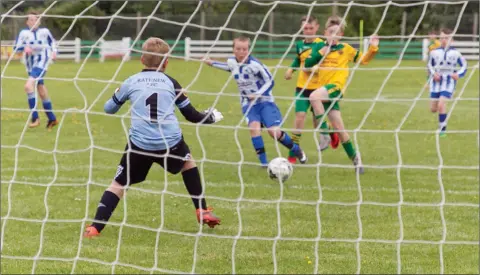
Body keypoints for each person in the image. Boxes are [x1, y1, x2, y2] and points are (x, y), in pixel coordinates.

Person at [84, 37, 224, 238]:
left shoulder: (131, 81)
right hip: (170, 142)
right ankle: (201, 209)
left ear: (142, 59)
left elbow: (109, 109)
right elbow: (192, 116)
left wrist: (117, 93)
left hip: (139, 144)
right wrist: (209, 117)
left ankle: (95, 228)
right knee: (188, 163)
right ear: (166, 62)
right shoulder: (171, 83)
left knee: (118, 184)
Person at [204, 36, 307, 167]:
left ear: (249, 49)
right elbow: (229, 67)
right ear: (233, 50)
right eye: (238, 49)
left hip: (265, 102)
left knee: (274, 132)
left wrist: (258, 94)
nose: (242, 52)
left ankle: (297, 150)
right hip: (248, 104)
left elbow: (270, 80)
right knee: (254, 128)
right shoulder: (231, 62)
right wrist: (212, 63)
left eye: (245, 49)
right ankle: (264, 164)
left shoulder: (255, 64)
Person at [304, 15, 380, 174]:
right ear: (325, 33)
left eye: (336, 33)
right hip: (323, 91)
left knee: (313, 97)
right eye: (330, 32)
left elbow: (363, 60)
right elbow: (308, 64)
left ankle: (324, 134)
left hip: (335, 88)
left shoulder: (345, 49)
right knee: (340, 129)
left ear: (341, 35)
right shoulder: (319, 47)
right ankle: (357, 161)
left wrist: (373, 47)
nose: (333, 35)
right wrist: (321, 54)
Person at [284, 15, 339, 164]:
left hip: (317, 89)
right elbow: (298, 59)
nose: (307, 31)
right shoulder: (299, 45)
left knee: (316, 123)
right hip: (302, 87)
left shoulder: (323, 44)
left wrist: (318, 68)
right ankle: (293, 153)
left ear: (317, 28)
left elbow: (330, 62)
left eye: (310, 28)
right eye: (305, 28)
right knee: (299, 117)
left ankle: (330, 132)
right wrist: (291, 69)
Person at [13, 11, 58, 130]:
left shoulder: (45, 32)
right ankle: (52, 118)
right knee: (41, 90)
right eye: (31, 20)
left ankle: (35, 118)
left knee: (28, 86)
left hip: (42, 62)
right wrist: (24, 48)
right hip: (30, 65)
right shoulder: (23, 34)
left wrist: (54, 52)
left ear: (39, 21)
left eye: (36, 19)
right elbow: (16, 49)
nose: (33, 22)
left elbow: (52, 42)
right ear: (27, 22)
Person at [428, 28, 467, 137]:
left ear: (451, 39)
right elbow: (430, 65)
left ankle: (442, 130)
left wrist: (458, 74)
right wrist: (433, 74)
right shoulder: (434, 52)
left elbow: (464, 66)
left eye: (446, 38)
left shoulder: (456, 53)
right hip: (436, 83)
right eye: (442, 38)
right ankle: (442, 124)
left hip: (449, 82)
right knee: (433, 109)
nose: (444, 40)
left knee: (441, 104)